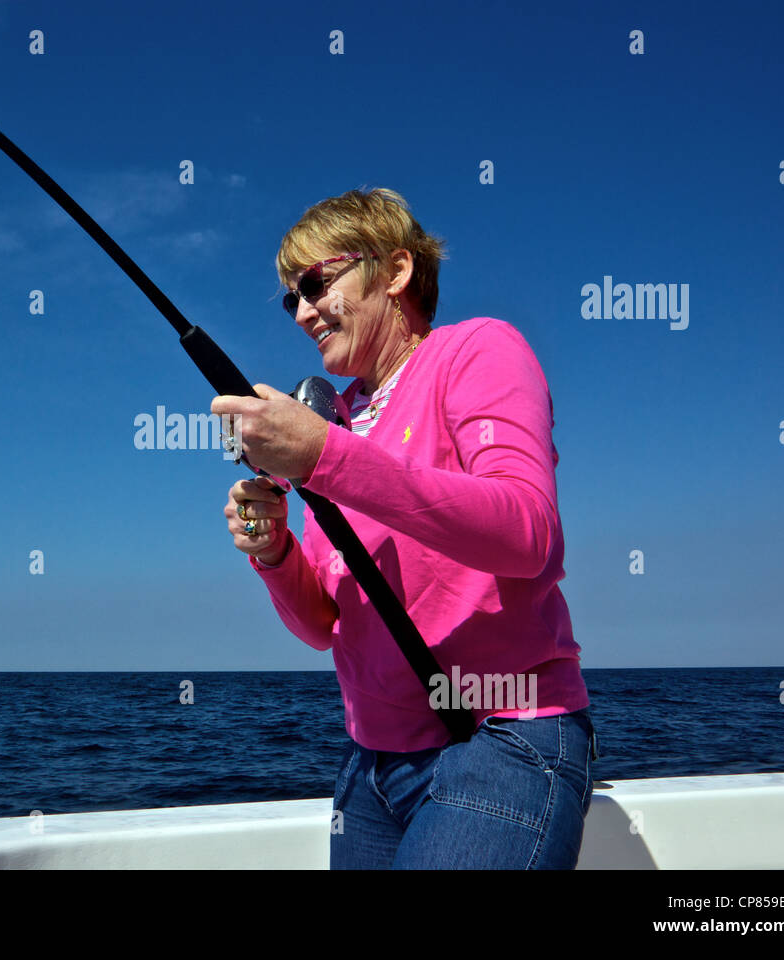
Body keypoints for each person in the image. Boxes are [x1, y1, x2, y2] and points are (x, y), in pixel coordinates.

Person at [210, 188, 599, 869]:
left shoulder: (477, 351)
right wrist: (275, 553)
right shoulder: (337, 424)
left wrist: (325, 458)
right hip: (370, 764)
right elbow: (327, 624)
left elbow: (528, 532)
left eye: (314, 283)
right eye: (288, 299)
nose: (302, 312)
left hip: (500, 734)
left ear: (394, 272)